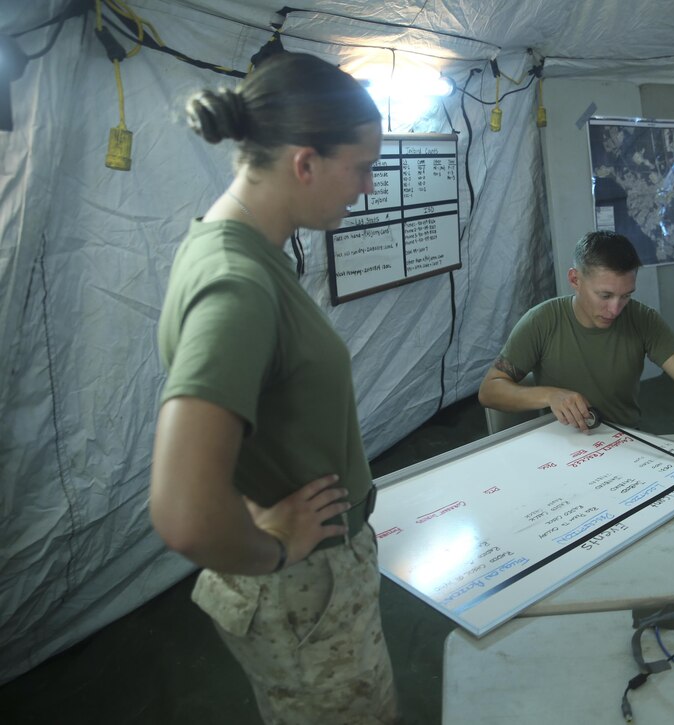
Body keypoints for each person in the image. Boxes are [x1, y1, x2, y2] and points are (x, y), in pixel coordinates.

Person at [150, 52, 397, 725]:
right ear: (305, 163)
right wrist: (277, 547)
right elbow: (184, 510)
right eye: (363, 167)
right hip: (303, 595)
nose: (368, 187)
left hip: (311, 585)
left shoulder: (234, 249)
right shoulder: (239, 283)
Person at [478, 230, 674, 462]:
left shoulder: (642, 319)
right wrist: (550, 395)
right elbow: (490, 390)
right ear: (575, 280)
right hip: (563, 447)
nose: (615, 309)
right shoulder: (542, 321)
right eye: (604, 296)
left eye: (625, 296)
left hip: (627, 444)